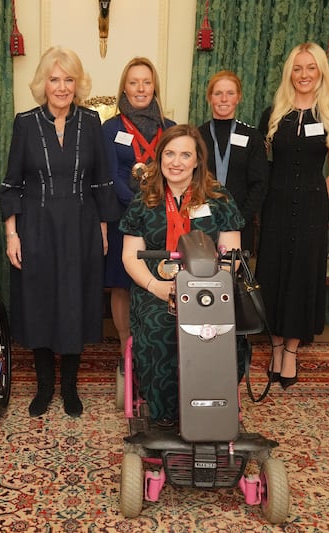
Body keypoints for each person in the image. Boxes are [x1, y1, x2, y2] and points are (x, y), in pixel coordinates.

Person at [0, 46, 119, 418]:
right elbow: (11, 185)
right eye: (55, 79)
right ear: (43, 83)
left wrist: (102, 229)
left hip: (81, 226)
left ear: (78, 84)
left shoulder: (91, 122)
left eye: (69, 79)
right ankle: (44, 386)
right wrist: (12, 234)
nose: (62, 86)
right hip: (36, 227)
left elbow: (101, 181)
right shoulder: (25, 123)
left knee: (74, 302)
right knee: (39, 302)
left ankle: (69, 386)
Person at [121, 124, 244, 426]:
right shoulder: (143, 200)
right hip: (157, 289)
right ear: (160, 157)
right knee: (158, 329)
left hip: (209, 290)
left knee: (227, 333)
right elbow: (129, 256)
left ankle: (213, 408)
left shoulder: (219, 199)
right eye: (170, 153)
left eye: (185, 155)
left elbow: (232, 256)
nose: (176, 162)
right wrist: (156, 287)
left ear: (198, 160)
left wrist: (210, 287)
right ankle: (166, 416)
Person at [257, 42, 329, 389]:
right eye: (298, 68)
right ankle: (275, 345)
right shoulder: (273, 114)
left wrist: (312, 201)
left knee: (301, 278)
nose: (304, 75)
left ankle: (291, 351)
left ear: (321, 72)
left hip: (311, 212)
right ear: (289, 73)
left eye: (311, 68)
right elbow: (261, 165)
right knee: (274, 275)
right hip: (276, 209)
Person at [197, 70, 269, 382]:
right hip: (201, 227)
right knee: (200, 287)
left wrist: (235, 219)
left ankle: (229, 355)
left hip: (239, 226)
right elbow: (190, 180)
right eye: (218, 93)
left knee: (230, 291)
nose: (223, 99)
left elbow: (259, 184)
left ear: (238, 97)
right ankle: (199, 347)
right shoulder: (197, 135)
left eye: (229, 93)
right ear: (209, 97)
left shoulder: (252, 137)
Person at [102, 57, 175, 358]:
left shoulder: (170, 128)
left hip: (162, 218)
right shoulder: (111, 127)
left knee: (159, 277)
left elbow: (176, 172)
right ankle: (125, 348)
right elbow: (109, 174)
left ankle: (154, 344)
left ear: (154, 86)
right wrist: (139, 207)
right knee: (122, 284)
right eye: (134, 82)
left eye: (146, 82)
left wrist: (155, 209)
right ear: (125, 88)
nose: (141, 88)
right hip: (124, 218)